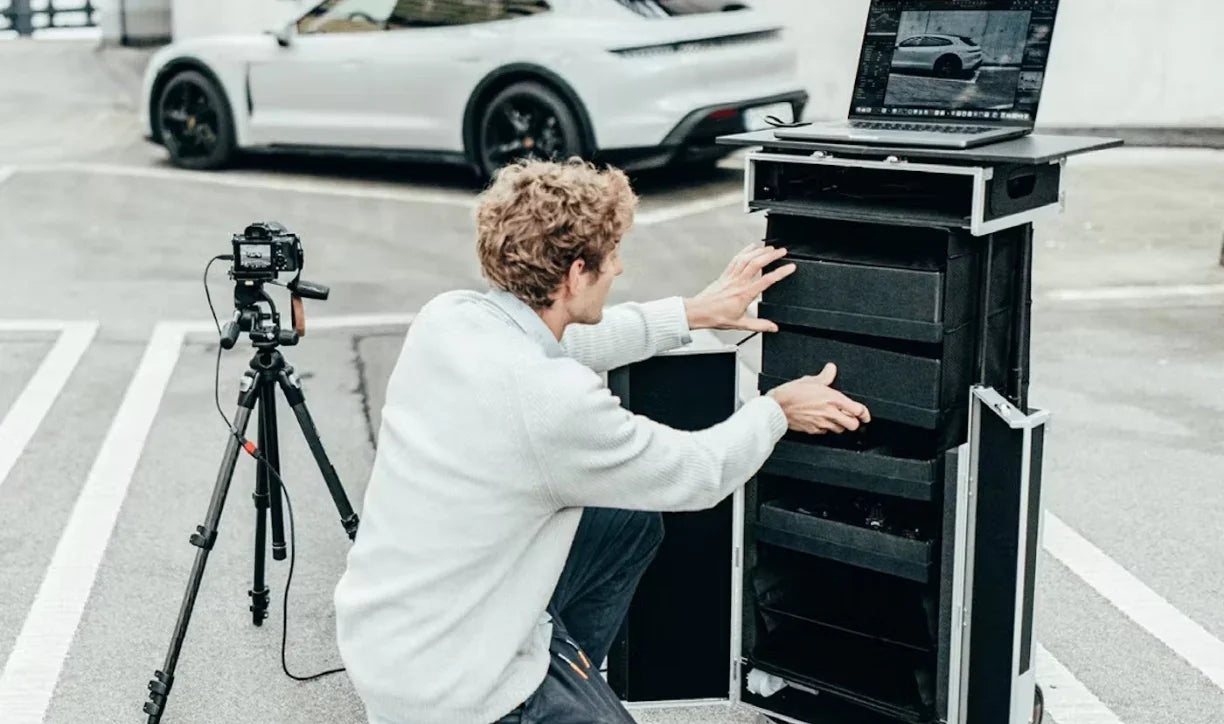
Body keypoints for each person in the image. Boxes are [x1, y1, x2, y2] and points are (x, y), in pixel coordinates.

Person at [333, 158, 871, 724]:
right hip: (457, 690)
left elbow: (566, 343)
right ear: (574, 275)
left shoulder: (449, 319)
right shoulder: (556, 405)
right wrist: (778, 410)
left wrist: (692, 312)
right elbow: (696, 472)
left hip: (386, 640)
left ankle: (562, 662)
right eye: (610, 255)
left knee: (625, 524)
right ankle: (532, 693)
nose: (619, 266)